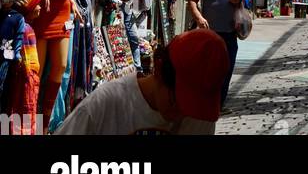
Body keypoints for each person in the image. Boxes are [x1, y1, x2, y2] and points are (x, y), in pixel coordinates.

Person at [55, 29, 229, 135]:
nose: (182, 113)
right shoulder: (102, 106)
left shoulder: (199, 116)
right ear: (159, 70)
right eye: (178, 101)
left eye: (194, 106)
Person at [33, 0, 79, 126]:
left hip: (62, 8)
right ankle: (30, 121)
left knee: (60, 65)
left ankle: (44, 123)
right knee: (37, 71)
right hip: (46, 9)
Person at [188, 0, 243, 105]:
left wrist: (239, 2)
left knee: (227, 70)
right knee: (209, 70)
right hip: (211, 35)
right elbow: (192, 1)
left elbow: (241, 6)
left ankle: (219, 104)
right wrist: (199, 17)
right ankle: (206, 102)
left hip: (230, 35)